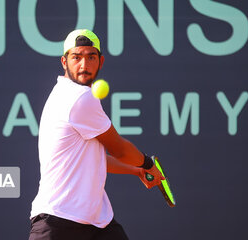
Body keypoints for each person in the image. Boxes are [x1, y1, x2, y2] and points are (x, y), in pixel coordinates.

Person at [29, 29, 164, 240]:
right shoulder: (79, 97)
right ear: (64, 62)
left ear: (100, 61)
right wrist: (146, 164)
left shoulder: (67, 94)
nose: (84, 65)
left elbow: (95, 158)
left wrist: (136, 171)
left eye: (90, 57)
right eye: (76, 57)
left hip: (98, 223)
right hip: (58, 222)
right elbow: (119, 148)